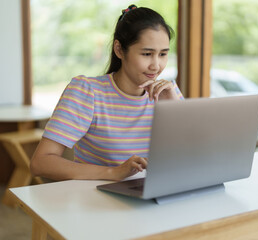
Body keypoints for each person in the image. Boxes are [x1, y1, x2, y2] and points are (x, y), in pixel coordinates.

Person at [30, 4, 183, 181]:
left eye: (163, 54)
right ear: (119, 49)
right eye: (147, 54)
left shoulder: (168, 93)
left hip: (152, 194)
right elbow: (40, 163)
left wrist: (174, 109)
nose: (156, 66)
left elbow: (193, 155)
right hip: (97, 198)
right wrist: (114, 173)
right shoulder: (87, 92)